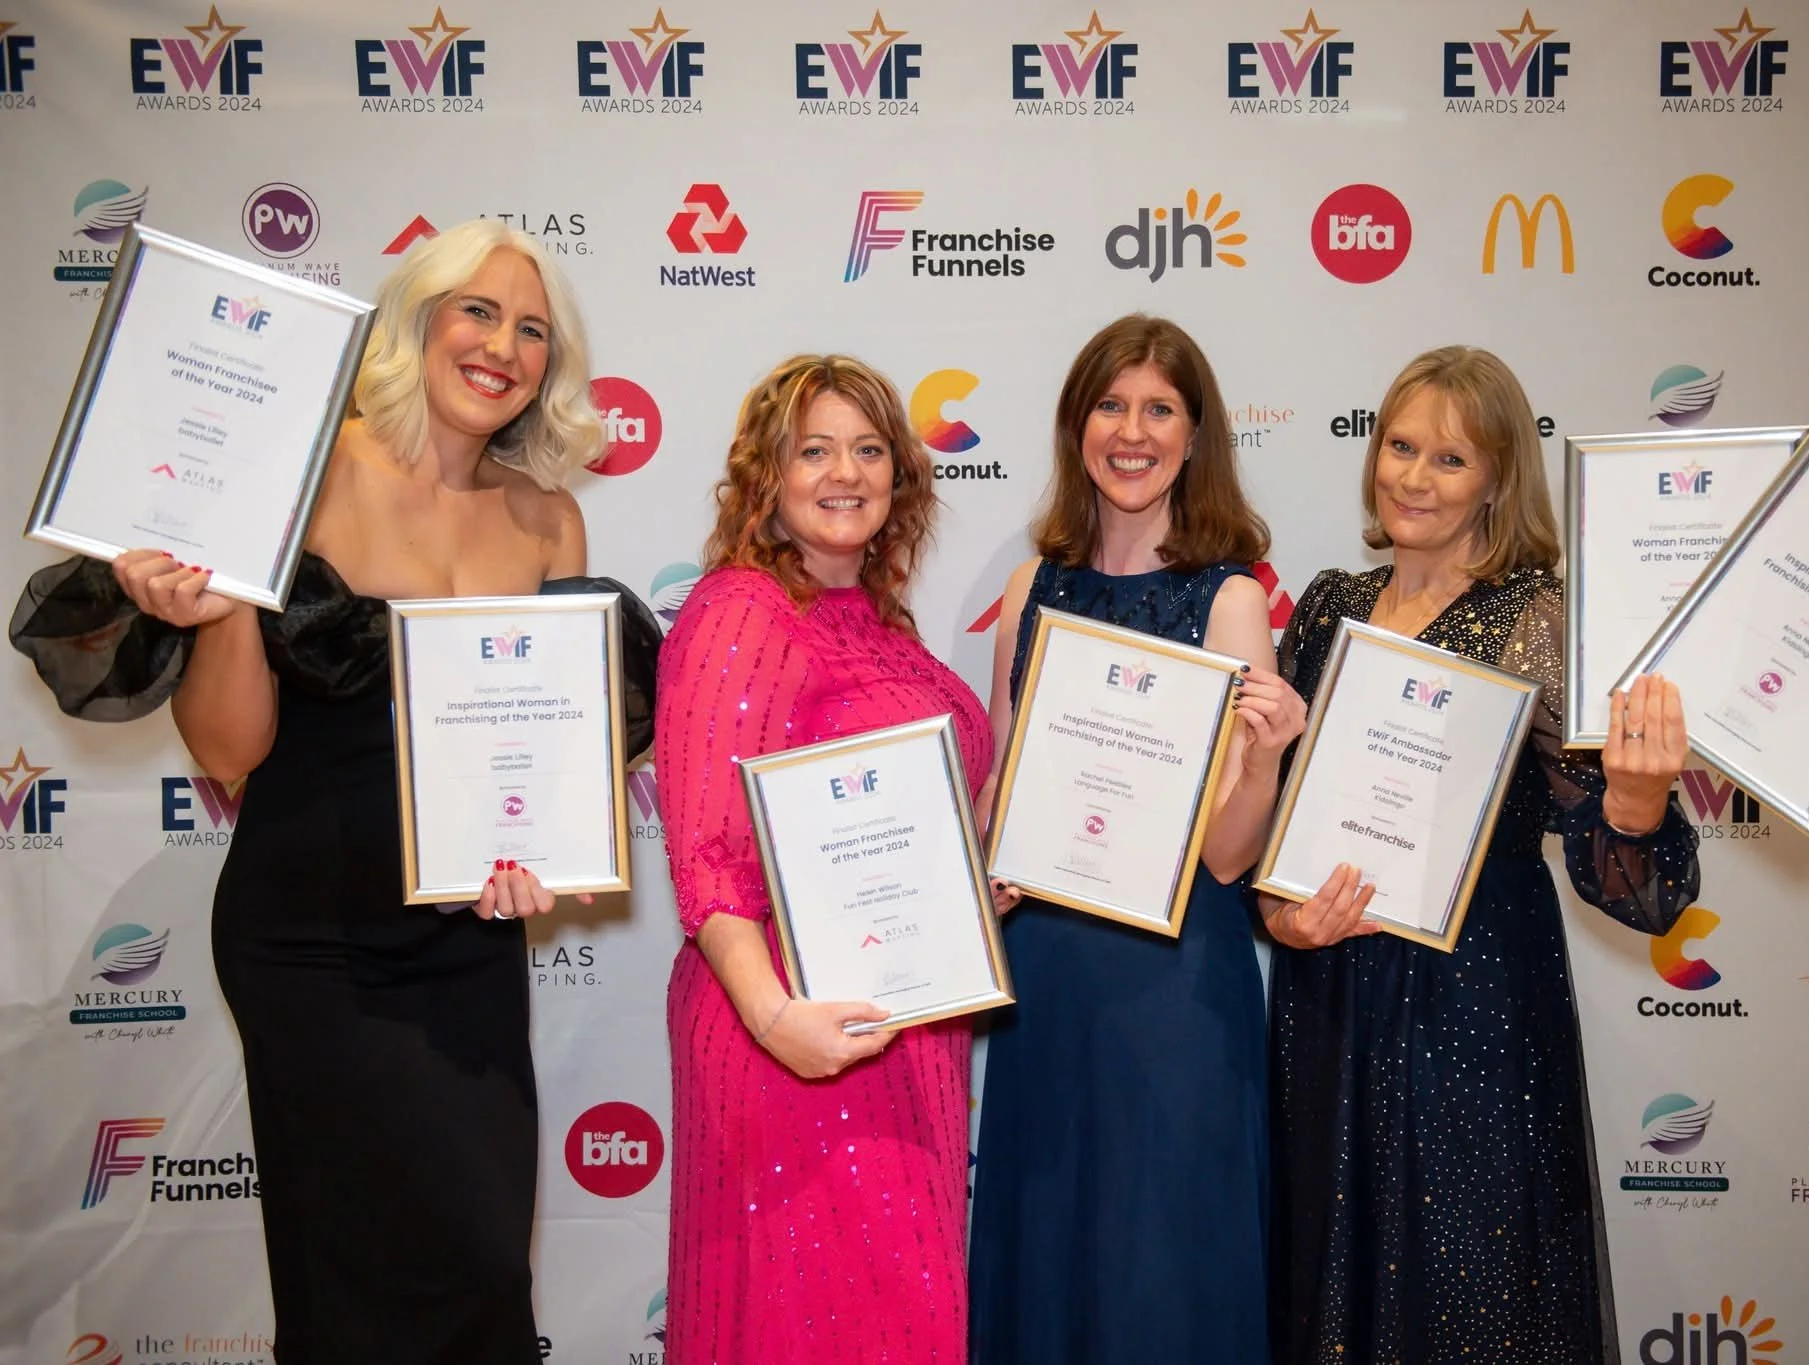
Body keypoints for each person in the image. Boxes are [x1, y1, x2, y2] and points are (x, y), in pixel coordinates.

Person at [11, 219, 657, 1364]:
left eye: (531, 331)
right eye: (478, 311)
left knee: (477, 1258)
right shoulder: (300, 474)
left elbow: (546, 760)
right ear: (417, 319)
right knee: (348, 1277)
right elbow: (230, 751)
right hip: (312, 936)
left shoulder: (547, 518)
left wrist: (535, 867)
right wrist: (216, 619)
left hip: (463, 947)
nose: (501, 345)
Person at [1265, 345, 1701, 1364]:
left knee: (1468, 1288)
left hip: (1475, 1000)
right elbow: (1274, 829)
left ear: (1499, 477)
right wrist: (1283, 919)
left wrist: (1635, 806)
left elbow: (1635, 890)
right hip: (1330, 989)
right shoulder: (1327, 605)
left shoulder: (1538, 624)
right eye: (1400, 447)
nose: (1412, 478)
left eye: (1449, 460)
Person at [655, 354, 1015, 1365]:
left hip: (907, 1033)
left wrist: (977, 883)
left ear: (900, 478)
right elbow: (708, 860)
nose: (843, 472)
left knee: (896, 1315)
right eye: (813, 450)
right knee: (799, 1318)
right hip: (785, 1037)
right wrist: (776, 1021)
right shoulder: (737, 613)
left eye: (867, 450)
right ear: (767, 476)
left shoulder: (882, 624)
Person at [967, 314, 1302, 1365]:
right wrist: (981, 878)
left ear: (1195, 435)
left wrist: (1263, 758)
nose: (1131, 431)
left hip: (1172, 988)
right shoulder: (1031, 589)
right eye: (1109, 405)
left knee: (1160, 1267)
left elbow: (1228, 856)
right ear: (1076, 428)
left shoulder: (1231, 596)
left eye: (1158, 408)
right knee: (1050, 1253)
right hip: (1049, 975)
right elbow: (999, 794)